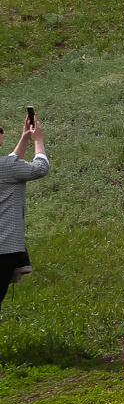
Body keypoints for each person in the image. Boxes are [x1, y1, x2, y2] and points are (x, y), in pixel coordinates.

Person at [0, 113, 47, 307]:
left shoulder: (6, 166)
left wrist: (25, 136)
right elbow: (40, 168)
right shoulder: (6, 167)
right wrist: (38, 140)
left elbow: (11, 161)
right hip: (4, 249)